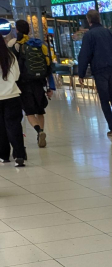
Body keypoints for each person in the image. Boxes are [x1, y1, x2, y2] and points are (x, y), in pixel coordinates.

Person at [77, 9, 112, 136]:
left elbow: (84, 55)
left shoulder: (89, 35)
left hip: (100, 70)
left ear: (89, 20)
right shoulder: (110, 33)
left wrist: (81, 73)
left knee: (104, 99)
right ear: (99, 19)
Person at [9, 18, 55, 148]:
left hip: (24, 83)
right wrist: (49, 86)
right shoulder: (38, 44)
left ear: (17, 30)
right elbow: (48, 65)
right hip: (39, 82)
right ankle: (41, 132)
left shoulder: (16, 45)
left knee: (29, 112)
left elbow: (13, 66)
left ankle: (38, 131)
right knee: (40, 110)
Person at [0, 34, 27, 167]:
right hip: (12, 96)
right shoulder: (10, 56)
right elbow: (16, 76)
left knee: (1, 128)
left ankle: (4, 155)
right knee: (14, 126)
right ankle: (19, 155)